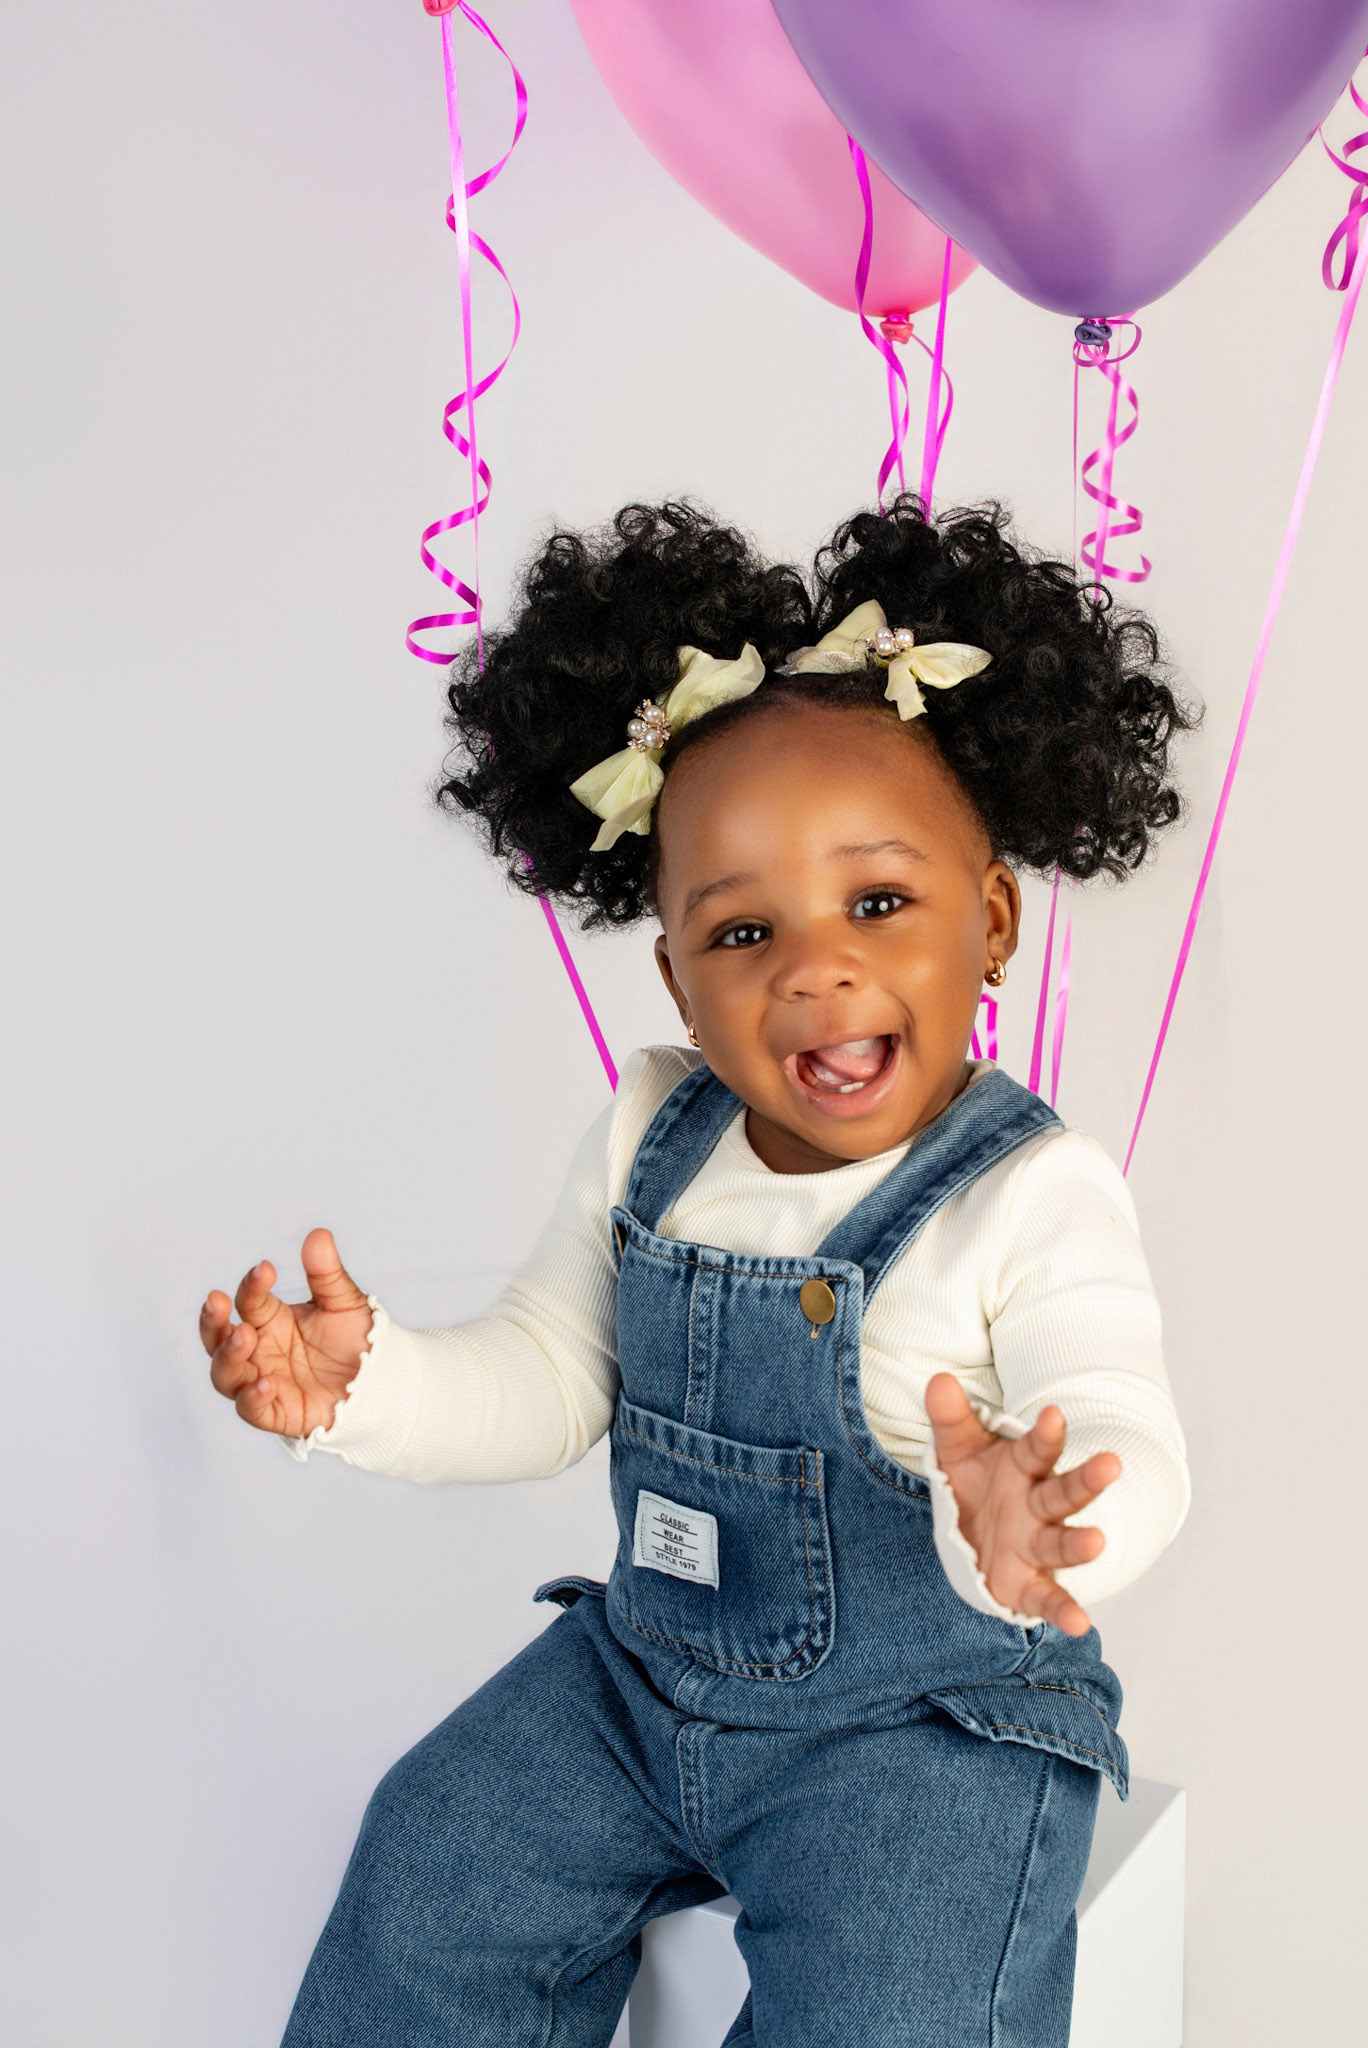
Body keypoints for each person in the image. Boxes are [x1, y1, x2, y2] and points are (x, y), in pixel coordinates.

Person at [200, 497, 1197, 2047]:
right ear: (673, 971)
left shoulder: (1027, 1193)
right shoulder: (651, 1134)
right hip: (637, 1688)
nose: (814, 965)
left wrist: (1044, 1518)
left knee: (892, 2012)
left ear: (992, 919)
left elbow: (1125, 1422)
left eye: (879, 903)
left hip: (919, 1730)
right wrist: (368, 1388)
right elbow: (546, 1380)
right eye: (741, 934)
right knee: (433, 1858)